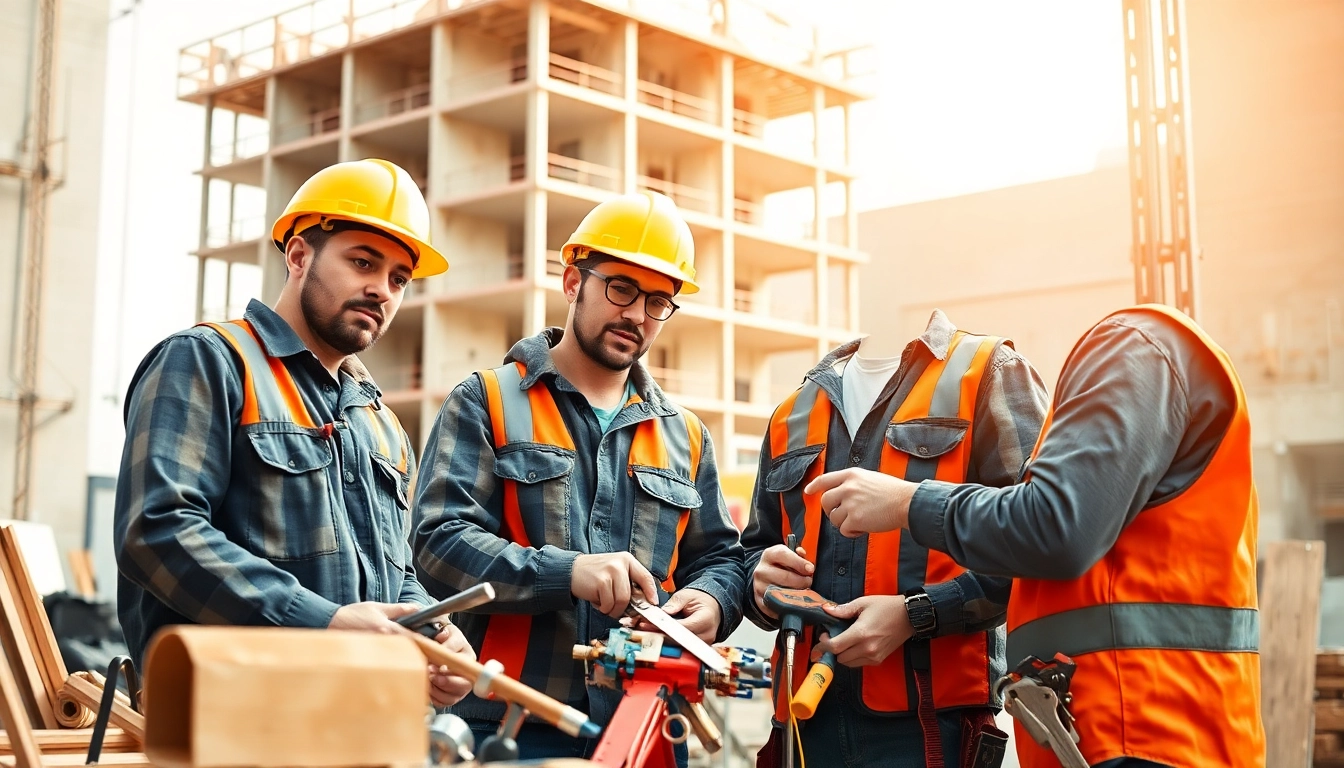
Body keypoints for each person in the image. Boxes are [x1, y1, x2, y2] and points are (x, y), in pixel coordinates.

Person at [810, 304, 1265, 768]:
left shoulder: (1131, 349)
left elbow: (1055, 527)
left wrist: (907, 504)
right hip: (1121, 731)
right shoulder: (1128, 361)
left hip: (1145, 730)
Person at [114, 159, 474, 707]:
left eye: (398, 278)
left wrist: (430, 638)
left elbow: (391, 577)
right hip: (227, 723)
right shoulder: (208, 361)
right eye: (363, 262)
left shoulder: (379, 422)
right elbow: (158, 531)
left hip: (356, 722)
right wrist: (320, 622)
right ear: (299, 256)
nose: (382, 290)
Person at [412, 191, 745, 761]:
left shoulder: (686, 436)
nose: (638, 314)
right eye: (621, 288)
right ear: (573, 281)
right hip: (510, 725)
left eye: (659, 301)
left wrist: (712, 600)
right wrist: (567, 573)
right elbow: (437, 545)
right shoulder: (486, 401)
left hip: (651, 723)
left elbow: (721, 559)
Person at [742, 310, 1049, 768]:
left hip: (932, 728)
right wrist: (758, 584)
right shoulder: (793, 410)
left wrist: (916, 615)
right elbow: (752, 551)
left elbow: (1040, 543)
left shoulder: (989, 372)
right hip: (805, 727)